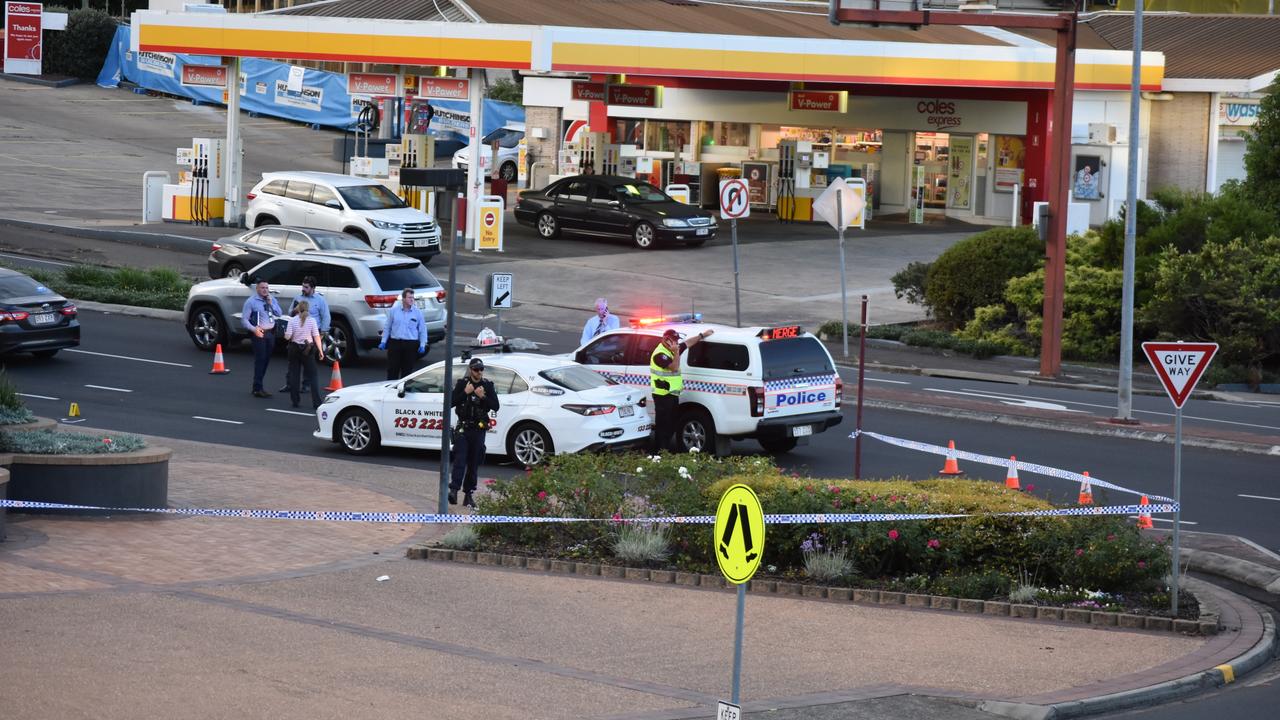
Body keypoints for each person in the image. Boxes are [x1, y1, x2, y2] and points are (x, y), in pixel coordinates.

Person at [649, 326, 714, 453]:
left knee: (672, 423)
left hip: (672, 394)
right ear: (665, 340)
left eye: (676, 340)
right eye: (673, 340)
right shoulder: (660, 354)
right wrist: (676, 352)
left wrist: (702, 335)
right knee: (663, 426)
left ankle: (665, 450)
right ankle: (659, 452)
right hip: (662, 395)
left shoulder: (672, 349)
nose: (676, 343)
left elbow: (688, 343)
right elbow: (674, 367)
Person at [450, 357, 499, 508]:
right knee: (460, 459)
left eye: (481, 369)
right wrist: (465, 393)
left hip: (478, 430)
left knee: (474, 463)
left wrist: (482, 396)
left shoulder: (487, 386)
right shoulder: (462, 384)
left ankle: (469, 494)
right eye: (476, 369)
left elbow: (495, 406)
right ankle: (453, 490)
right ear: (470, 370)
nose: (479, 372)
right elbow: (451, 402)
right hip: (464, 428)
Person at [279, 276, 330, 394]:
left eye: (306, 287)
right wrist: (295, 311)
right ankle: (289, 384)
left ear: (313, 288)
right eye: (302, 286)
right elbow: (290, 312)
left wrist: (323, 332)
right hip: (297, 333)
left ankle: (306, 385)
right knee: (292, 360)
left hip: (311, 334)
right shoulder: (298, 298)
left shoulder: (320, 300)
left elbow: (326, 316)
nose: (303, 289)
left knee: (308, 360)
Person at [242, 279, 283, 398]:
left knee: (266, 360)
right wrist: (254, 329)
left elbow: (279, 313)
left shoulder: (271, 299)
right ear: (257, 289)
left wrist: (271, 303)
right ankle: (257, 388)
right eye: (262, 288)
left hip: (270, 333)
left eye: (266, 288)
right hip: (259, 333)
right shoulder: (251, 302)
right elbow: (244, 319)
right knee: (260, 360)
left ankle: (259, 385)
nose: (265, 290)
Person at [378, 288, 428, 380]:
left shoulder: (417, 313)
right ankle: (391, 389)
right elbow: (387, 327)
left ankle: (403, 390)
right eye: (409, 297)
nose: (412, 300)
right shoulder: (394, 311)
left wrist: (422, 344)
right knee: (392, 369)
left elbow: (422, 330)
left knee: (407, 370)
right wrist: (383, 341)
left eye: (413, 298)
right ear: (403, 299)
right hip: (395, 343)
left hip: (410, 344)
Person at [283, 299, 325, 409]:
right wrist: (321, 351)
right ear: (308, 309)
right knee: (313, 376)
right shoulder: (312, 321)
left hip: (294, 348)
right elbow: (316, 337)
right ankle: (316, 402)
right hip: (308, 349)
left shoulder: (292, 320)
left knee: (294, 374)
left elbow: (287, 336)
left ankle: (295, 401)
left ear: (297, 309)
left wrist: (287, 335)